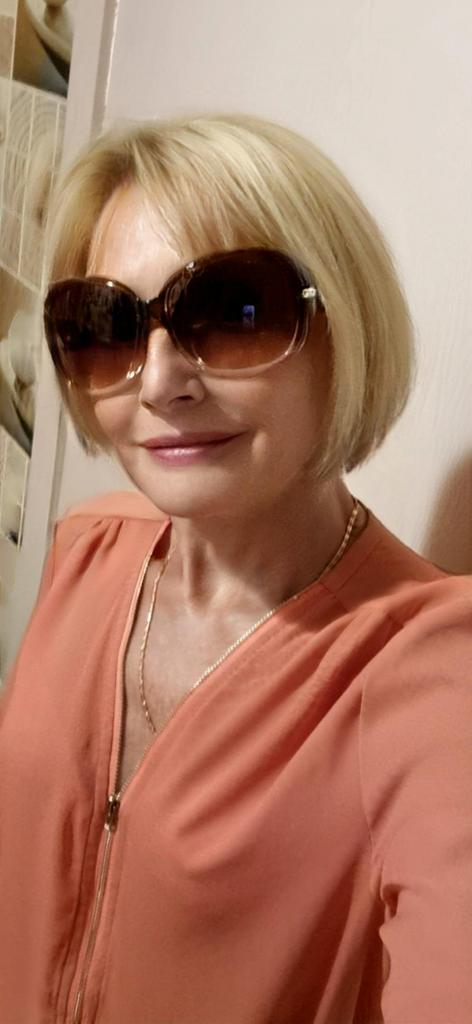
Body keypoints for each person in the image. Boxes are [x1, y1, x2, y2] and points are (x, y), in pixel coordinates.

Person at [1, 113, 471, 1024]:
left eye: (233, 315)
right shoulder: (88, 549)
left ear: (346, 327)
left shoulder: (430, 670)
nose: (157, 382)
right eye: (108, 325)